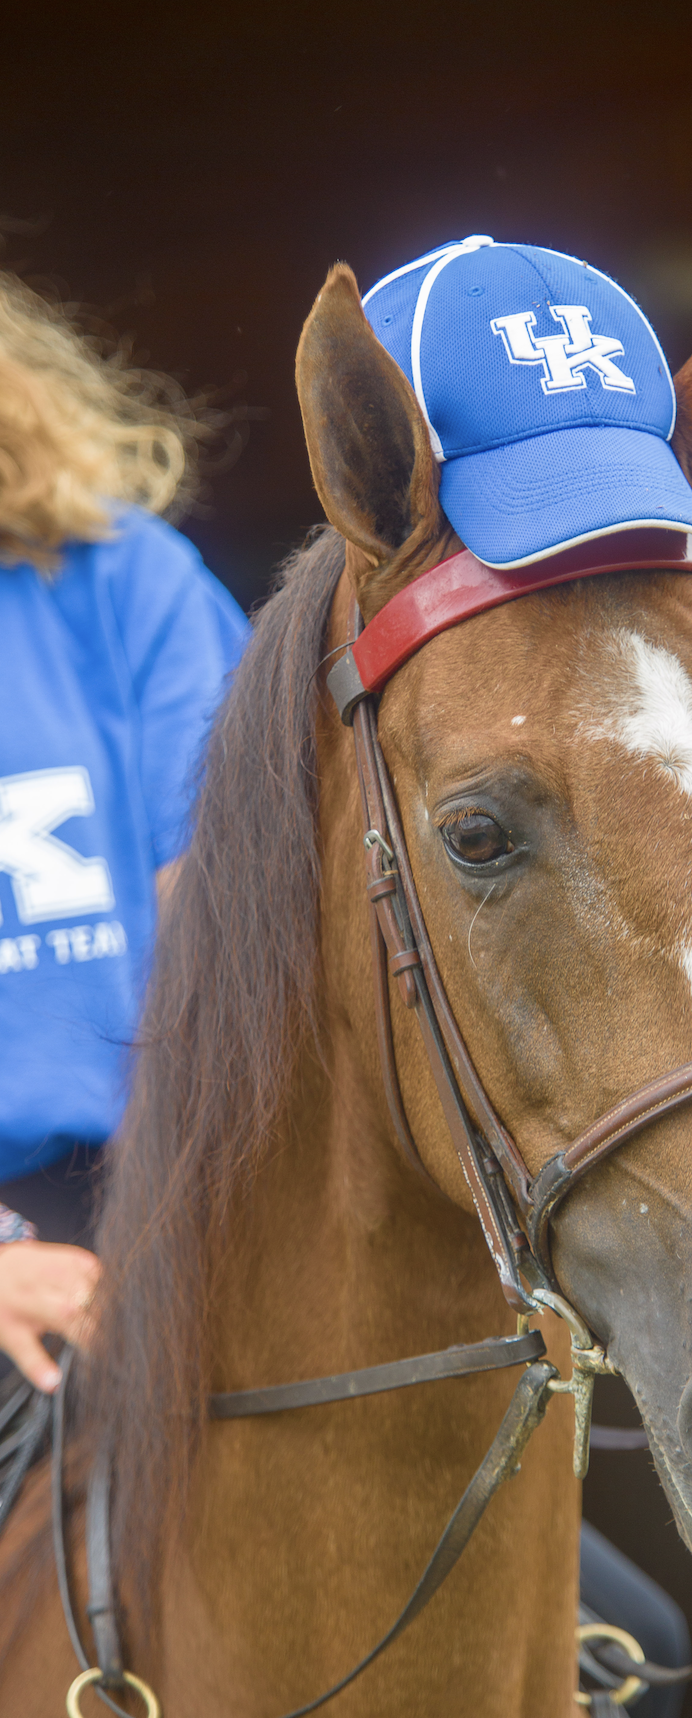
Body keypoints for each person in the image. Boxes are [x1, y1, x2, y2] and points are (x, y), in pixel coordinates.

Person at [0, 273, 248, 1391]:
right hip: (19, 1270)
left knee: (580, 1581)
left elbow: (230, 936)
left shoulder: (127, 582)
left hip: (182, 1202)